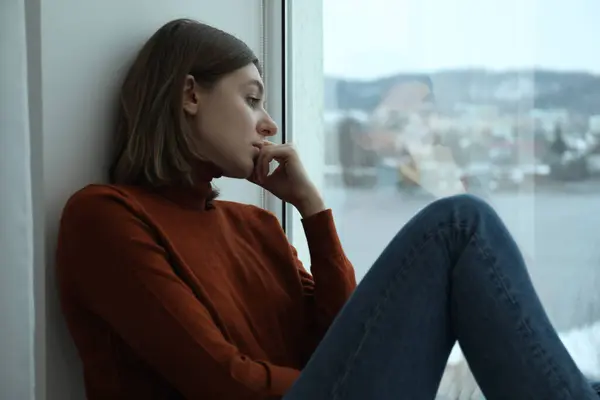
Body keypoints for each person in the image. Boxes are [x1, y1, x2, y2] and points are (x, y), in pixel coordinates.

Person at [55, 18, 599, 400]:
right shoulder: (105, 218)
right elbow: (222, 383)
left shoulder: (257, 225)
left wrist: (314, 211)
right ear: (190, 95)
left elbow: (346, 338)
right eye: (251, 99)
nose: (268, 123)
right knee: (458, 224)